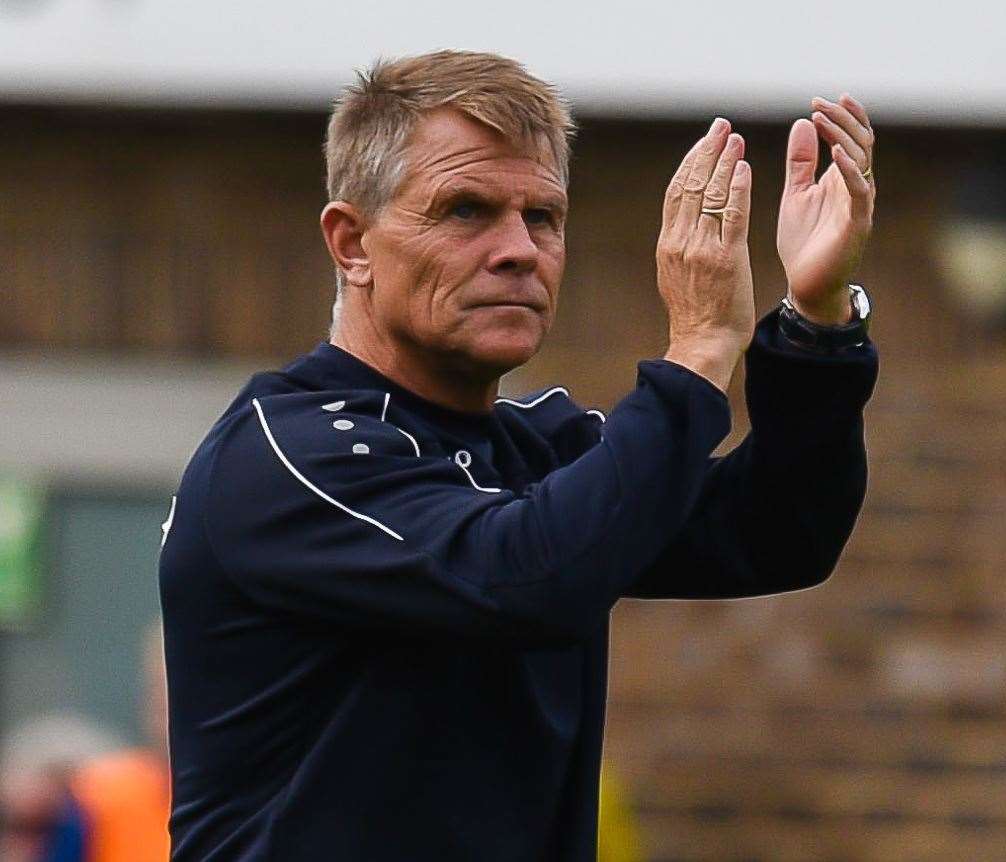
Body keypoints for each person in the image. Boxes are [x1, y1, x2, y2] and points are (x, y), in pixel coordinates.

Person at [159, 50, 878, 861]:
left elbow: (779, 531)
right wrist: (701, 349)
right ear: (352, 243)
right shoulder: (286, 455)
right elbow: (524, 579)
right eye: (466, 210)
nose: (519, 250)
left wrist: (818, 322)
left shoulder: (537, 449)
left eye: (543, 217)